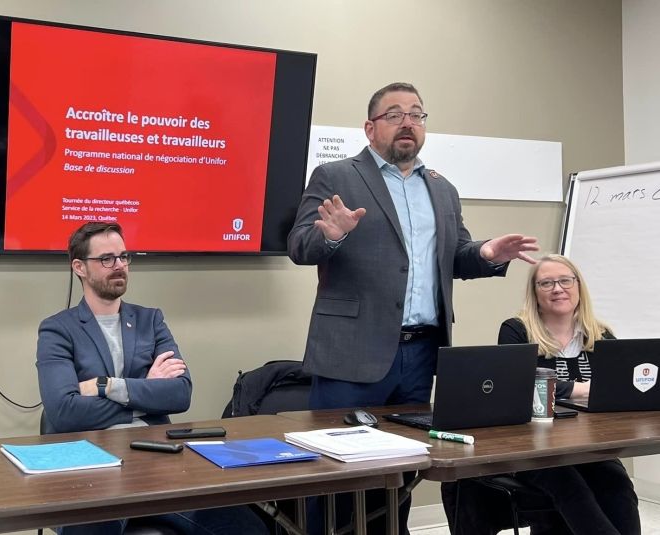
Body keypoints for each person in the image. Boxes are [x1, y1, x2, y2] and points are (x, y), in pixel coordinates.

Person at [287, 82, 539, 534]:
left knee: (402, 470)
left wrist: (485, 254)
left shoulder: (443, 189)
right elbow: (300, 246)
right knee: (337, 474)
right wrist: (332, 233)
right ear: (370, 128)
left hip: (421, 353)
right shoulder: (335, 176)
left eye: (417, 114)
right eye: (395, 114)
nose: (408, 122)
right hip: (351, 354)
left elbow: (456, 254)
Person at [36, 222, 267, 535]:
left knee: (247, 526)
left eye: (123, 257)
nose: (119, 266)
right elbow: (63, 411)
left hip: (156, 458)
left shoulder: (150, 320)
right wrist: (146, 394)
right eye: (106, 259)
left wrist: (108, 386)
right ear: (79, 267)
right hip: (92, 460)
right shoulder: (57, 329)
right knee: (94, 525)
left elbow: (180, 394)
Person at [464, 254, 637, 534]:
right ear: (535, 293)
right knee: (571, 488)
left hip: (589, 446)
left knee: (618, 485)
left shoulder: (600, 334)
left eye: (565, 280)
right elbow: (517, 385)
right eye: (546, 283)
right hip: (534, 450)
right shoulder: (516, 330)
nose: (558, 288)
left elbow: (616, 389)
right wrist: (582, 388)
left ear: (579, 286)